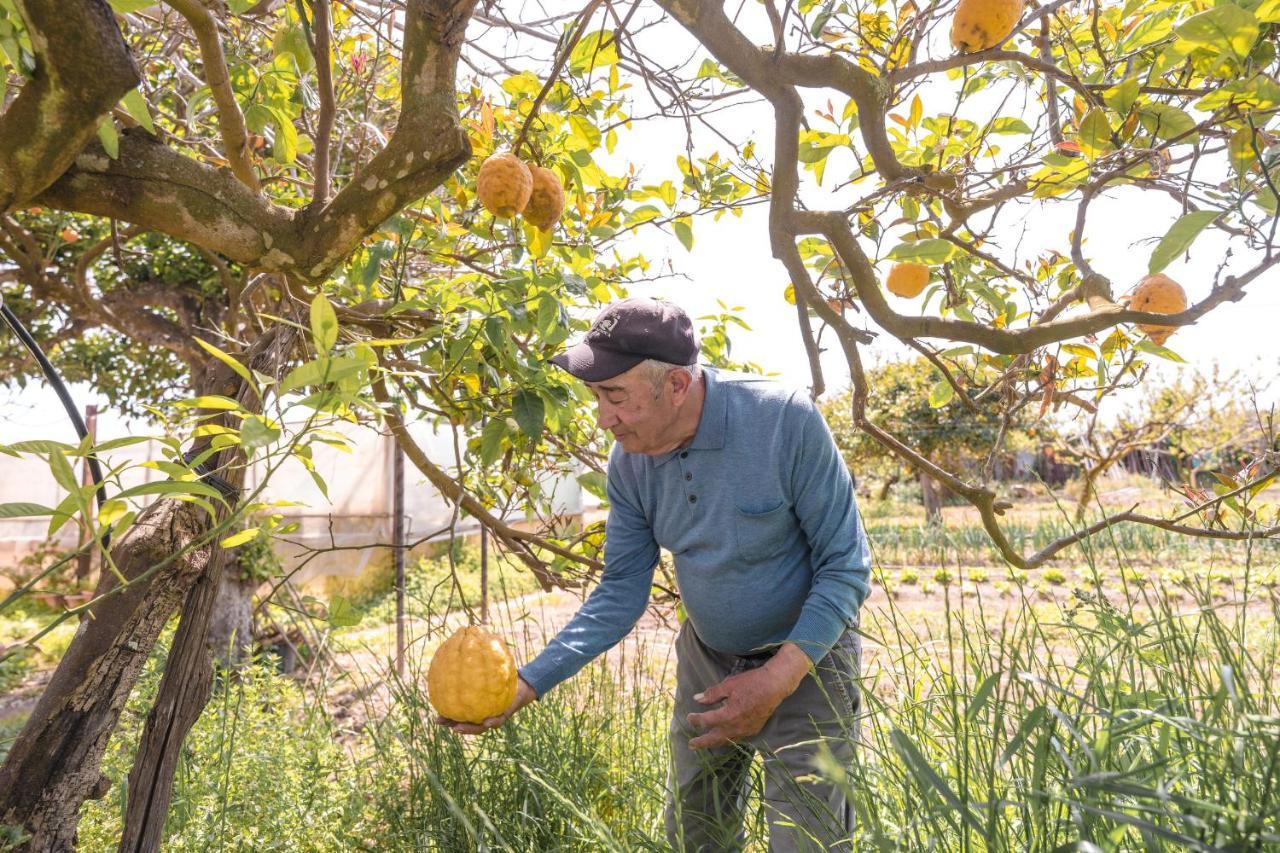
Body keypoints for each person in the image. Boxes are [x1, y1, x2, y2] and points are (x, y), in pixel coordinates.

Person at [436, 297, 871, 851]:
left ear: (678, 387)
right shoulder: (630, 463)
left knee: (808, 839)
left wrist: (777, 678)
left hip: (807, 664)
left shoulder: (784, 420)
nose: (603, 417)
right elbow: (620, 591)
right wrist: (525, 684)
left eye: (615, 396)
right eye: (596, 396)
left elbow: (846, 565)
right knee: (696, 832)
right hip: (708, 662)